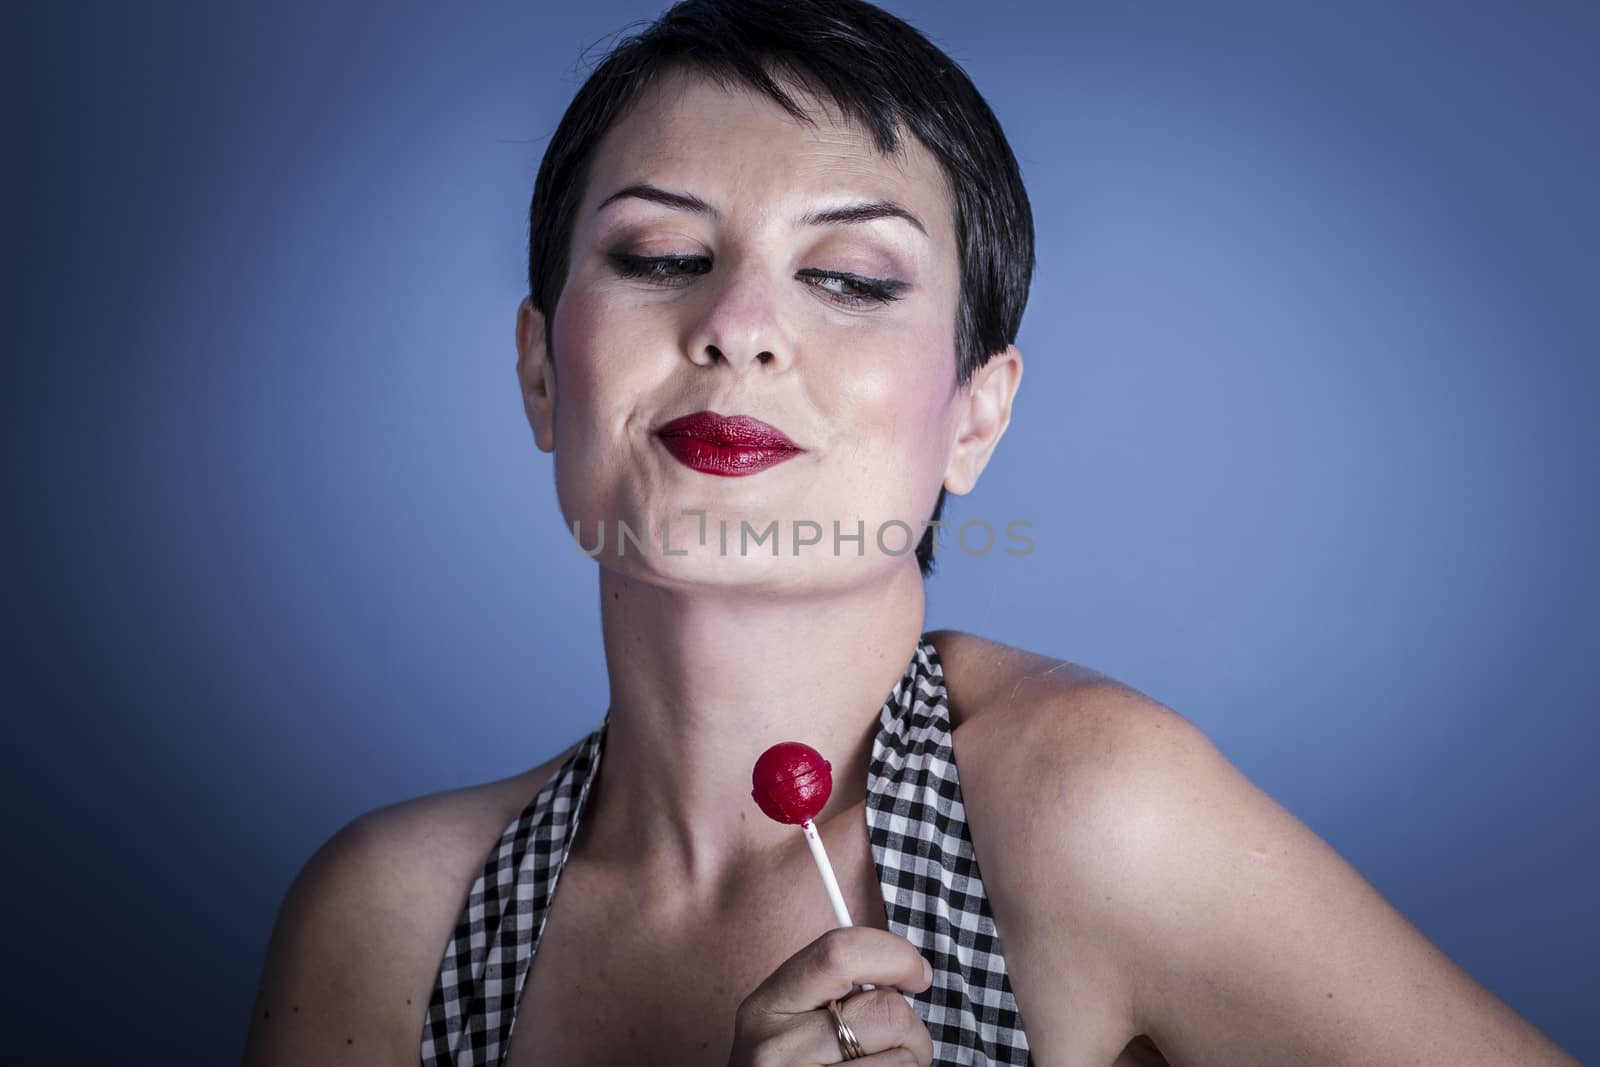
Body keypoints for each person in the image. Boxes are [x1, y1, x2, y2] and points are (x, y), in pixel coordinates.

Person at [242, 1, 1580, 1064]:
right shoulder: (388, 927)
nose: (742, 324)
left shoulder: (1092, 810)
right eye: (658, 258)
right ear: (543, 373)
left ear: (975, 419)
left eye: (850, 279)